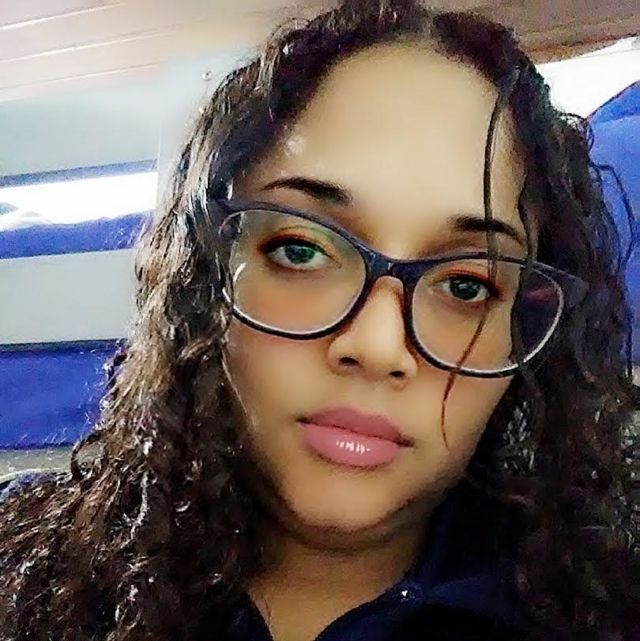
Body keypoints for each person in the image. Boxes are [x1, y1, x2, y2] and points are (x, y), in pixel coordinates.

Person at [1, 1, 638, 640]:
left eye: (466, 286)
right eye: (301, 251)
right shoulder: (24, 569)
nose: (378, 344)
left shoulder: (601, 610)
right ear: (203, 279)